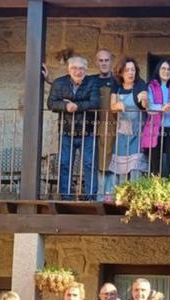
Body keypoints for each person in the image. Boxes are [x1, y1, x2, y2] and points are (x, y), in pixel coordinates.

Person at [49, 55, 100, 200]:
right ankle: (66, 196)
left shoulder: (92, 83)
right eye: (74, 68)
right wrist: (65, 105)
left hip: (87, 131)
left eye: (81, 68)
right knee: (65, 163)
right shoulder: (59, 83)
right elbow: (51, 103)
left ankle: (90, 196)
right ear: (68, 69)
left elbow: (95, 103)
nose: (78, 71)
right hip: (67, 131)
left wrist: (76, 105)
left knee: (89, 164)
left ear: (86, 70)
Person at [110, 57, 149, 186]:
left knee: (135, 169)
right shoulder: (117, 87)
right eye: (127, 70)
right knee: (121, 171)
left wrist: (144, 99)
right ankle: (121, 200)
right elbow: (112, 106)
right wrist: (118, 105)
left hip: (138, 134)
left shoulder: (140, 84)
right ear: (121, 72)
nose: (131, 73)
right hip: (122, 134)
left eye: (133, 70)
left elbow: (145, 106)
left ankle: (136, 200)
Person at [142, 59, 170, 178]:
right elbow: (148, 107)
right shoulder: (151, 86)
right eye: (163, 68)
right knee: (155, 164)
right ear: (158, 70)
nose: (166, 71)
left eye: (168, 69)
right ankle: (155, 192)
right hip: (155, 130)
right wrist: (162, 107)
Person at [89, 49, 118, 200]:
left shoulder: (117, 81)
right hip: (91, 127)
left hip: (111, 126)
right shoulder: (90, 81)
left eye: (107, 60)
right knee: (93, 161)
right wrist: (48, 80)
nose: (104, 63)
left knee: (110, 160)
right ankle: (96, 195)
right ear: (96, 62)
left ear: (111, 62)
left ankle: (109, 196)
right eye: (101, 60)